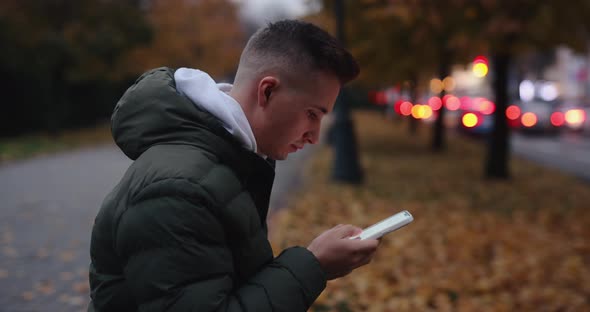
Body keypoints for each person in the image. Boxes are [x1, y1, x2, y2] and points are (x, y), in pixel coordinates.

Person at [88, 19, 380, 311]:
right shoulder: (176, 190)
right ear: (267, 91)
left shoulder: (230, 160)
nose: (315, 137)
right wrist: (313, 266)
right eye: (312, 115)